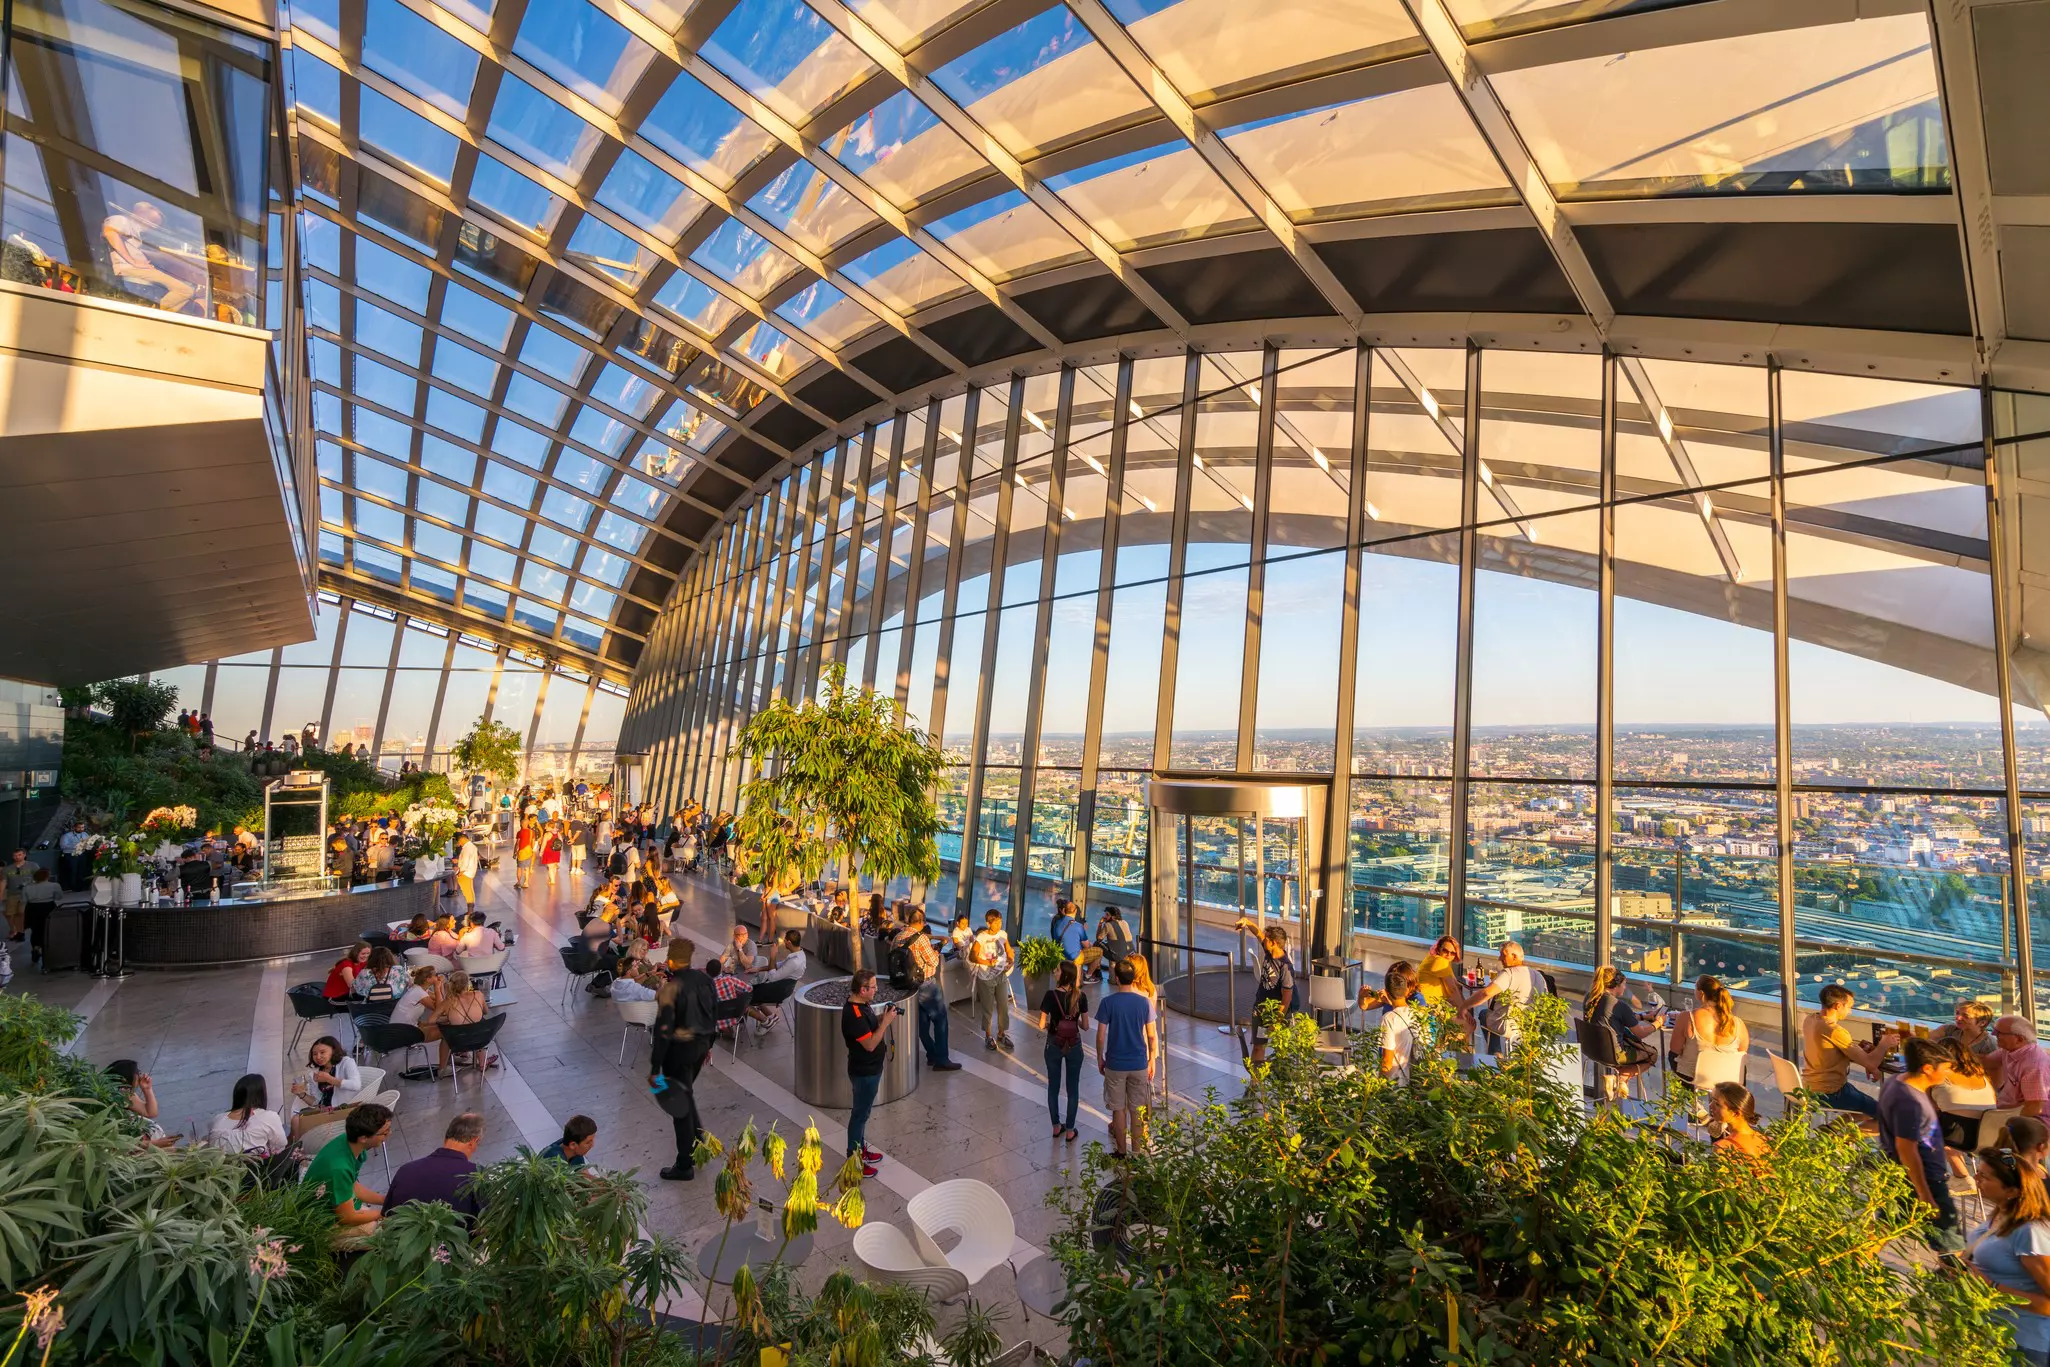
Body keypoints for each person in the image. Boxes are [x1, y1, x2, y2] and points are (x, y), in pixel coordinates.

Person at [1879, 1037, 1963, 1251]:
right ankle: (1955, 1278)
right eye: (1945, 1069)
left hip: (1900, 1174)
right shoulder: (1911, 1102)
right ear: (1927, 1068)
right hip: (1925, 1179)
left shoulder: (1895, 1082)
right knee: (1951, 1245)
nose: (1948, 1074)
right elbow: (1906, 1148)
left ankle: (1853, 1263)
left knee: (1884, 1227)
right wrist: (1924, 1194)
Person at [1969, 1147, 2050, 1362]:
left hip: (2022, 1344)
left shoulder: (2031, 1232)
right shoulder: (2000, 1216)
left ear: (2012, 1191)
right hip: (1991, 1334)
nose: (1975, 1177)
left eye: (1984, 1176)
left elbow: (2048, 1305)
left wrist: (1990, 1288)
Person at [650, 942, 719, 1181]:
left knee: (679, 1108)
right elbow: (714, 1013)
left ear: (670, 961)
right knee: (686, 1095)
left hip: (678, 1053)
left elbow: (662, 1031)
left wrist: (654, 1066)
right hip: (699, 1048)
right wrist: (709, 1045)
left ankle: (684, 1165)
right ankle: (701, 1143)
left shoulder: (671, 989)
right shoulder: (706, 980)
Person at [1799, 984, 1896, 1119]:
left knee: (1865, 1108)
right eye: (1849, 1007)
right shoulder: (1835, 1031)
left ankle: (1834, 1132)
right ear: (1838, 1006)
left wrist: (1860, 1056)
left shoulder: (1810, 1020)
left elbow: (1829, 1051)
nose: (1850, 1011)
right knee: (1882, 1114)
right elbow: (1871, 1063)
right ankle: (1832, 1132)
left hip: (1810, 1087)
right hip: (1830, 1092)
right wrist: (1884, 1044)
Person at [302, 1102, 392, 1245]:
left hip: (340, 1208)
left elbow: (352, 1186)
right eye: (385, 1132)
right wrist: (383, 1214)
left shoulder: (351, 1144)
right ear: (363, 1137)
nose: (389, 1134)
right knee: (384, 1237)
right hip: (323, 1225)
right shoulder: (339, 1168)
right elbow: (347, 1217)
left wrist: (385, 1201)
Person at [1096, 958, 1156, 1158]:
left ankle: (1121, 1151)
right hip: (1139, 1063)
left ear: (1117, 978)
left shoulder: (1108, 1003)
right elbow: (1151, 1035)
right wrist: (1152, 1059)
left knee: (1118, 1109)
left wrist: (1099, 1058)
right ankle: (1137, 1152)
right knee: (1137, 1109)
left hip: (1115, 1063)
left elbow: (1101, 1035)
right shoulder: (1144, 1002)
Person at [843, 969, 900, 1178]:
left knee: (863, 1114)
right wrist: (886, 1023)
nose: (876, 990)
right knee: (859, 1115)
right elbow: (869, 1044)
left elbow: (866, 1027)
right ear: (862, 989)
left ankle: (860, 1150)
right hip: (864, 1072)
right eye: (873, 987)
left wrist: (881, 1016)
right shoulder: (853, 1014)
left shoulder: (861, 1006)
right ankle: (854, 1160)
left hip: (871, 1069)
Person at [385, 1112, 485, 1226]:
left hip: (402, 1240)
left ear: (446, 1137)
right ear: (473, 1142)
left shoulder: (405, 1170)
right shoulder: (476, 1175)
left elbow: (388, 1215)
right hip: (456, 1242)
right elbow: (485, 1221)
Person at [890, 908, 958, 1070]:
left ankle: (932, 1054)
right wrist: (936, 949)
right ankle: (941, 1059)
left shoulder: (897, 937)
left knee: (922, 1024)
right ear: (922, 922)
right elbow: (933, 962)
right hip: (926, 985)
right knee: (940, 1020)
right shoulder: (921, 939)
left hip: (907, 986)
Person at [103, 202, 199, 314]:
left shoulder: (135, 232)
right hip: (130, 268)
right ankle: (158, 315)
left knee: (185, 287)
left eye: (156, 225)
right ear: (140, 213)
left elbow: (132, 248)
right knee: (185, 290)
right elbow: (110, 234)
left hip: (137, 268)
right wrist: (133, 261)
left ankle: (158, 311)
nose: (153, 227)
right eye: (152, 222)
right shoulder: (121, 220)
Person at [1582, 966, 1659, 1100]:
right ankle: (1621, 1079)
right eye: (1624, 984)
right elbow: (1640, 1033)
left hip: (1591, 1049)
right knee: (1652, 1054)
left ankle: (1617, 1084)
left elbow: (1619, 1017)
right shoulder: (1618, 1004)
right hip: (1614, 1054)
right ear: (1615, 985)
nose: (1625, 988)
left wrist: (1643, 1017)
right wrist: (1658, 1023)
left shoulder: (1590, 997)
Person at [1038, 958, 1089, 1141]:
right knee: (1073, 1088)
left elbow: (1041, 1024)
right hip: (1074, 1044)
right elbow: (1085, 1026)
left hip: (1054, 1043)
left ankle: (1055, 1126)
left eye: (1057, 970)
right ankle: (1070, 1130)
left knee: (1053, 1086)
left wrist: (1054, 1024)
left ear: (1064, 974)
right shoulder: (1080, 996)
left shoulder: (1050, 995)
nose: (1055, 972)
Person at [1466, 941, 1545, 1051]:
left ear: (1514, 956)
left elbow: (1486, 993)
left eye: (1503, 955)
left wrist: (1464, 1006)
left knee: (1484, 1014)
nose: (1500, 958)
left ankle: (1495, 1053)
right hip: (1531, 1025)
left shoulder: (1509, 973)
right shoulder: (1538, 975)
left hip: (1509, 1026)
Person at [1669, 975, 1748, 1081]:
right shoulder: (1738, 1023)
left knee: (1672, 1056)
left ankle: (1686, 1096)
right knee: (1742, 1066)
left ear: (1701, 994)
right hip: (1727, 1078)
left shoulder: (1687, 1017)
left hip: (1694, 1077)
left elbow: (1675, 1050)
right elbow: (1741, 1054)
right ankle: (1733, 1096)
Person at [289, 1036, 365, 1139]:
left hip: (342, 1109)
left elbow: (356, 1085)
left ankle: (298, 1150)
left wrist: (330, 1079)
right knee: (296, 1120)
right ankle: (298, 1150)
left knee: (298, 1124)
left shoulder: (346, 1062)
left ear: (333, 1050)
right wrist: (301, 1094)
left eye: (322, 1052)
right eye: (315, 1054)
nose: (318, 1057)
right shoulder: (315, 1073)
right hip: (325, 1110)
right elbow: (318, 1101)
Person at [1246, 924, 1296, 1068]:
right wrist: (1247, 922)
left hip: (1274, 1014)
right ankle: (1255, 1081)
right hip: (1260, 1008)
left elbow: (1287, 997)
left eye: (1266, 938)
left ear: (1273, 942)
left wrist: (1277, 1020)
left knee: (1280, 1050)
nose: (1263, 939)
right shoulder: (1269, 952)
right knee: (1258, 1046)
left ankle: (1280, 1082)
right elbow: (1258, 934)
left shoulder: (1286, 967)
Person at [207, 1073, 289, 1155]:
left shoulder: (218, 1119)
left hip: (222, 1166)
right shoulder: (269, 1116)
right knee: (285, 1129)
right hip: (259, 1166)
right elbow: (280, 1146)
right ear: (261, 1095)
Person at [1373, 961, 1426, 1085]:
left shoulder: (1389, 1018)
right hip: (1416, 1079)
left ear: (1387, 991)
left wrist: (1377, 1087)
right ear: (1407, 989)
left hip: (1396, 1082)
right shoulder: (1419, 1013)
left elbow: (1387, 1061)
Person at [425, 971, 488, 1073]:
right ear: (468, 983)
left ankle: (442, 1069)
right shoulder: (478, 994)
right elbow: (485, 1011)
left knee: (445, 1037)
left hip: (457, 1043)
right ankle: (482, 1063)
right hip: (480, 1039)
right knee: (477, 1025)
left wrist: (447, 1018)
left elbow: (430, 1021)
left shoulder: (448, 1001)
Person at [970, 908, 1015, 1051]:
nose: (999, 925)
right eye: (996, 923)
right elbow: (972, 956)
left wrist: (1011, 959)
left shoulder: (1003, 934)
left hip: (1000, 975)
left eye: (1000, 922)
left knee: (1003, 1006)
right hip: (985, 977)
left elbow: (1008, 950)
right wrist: (986, 963)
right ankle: (988, 1036)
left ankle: (1001, 1034)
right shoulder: (981, 937)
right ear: (989, 923)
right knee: (988, 1008)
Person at [105, 1060, 175, 1147]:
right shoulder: (117, 1095)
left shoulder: (125, 1092)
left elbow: (150, 1112)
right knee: (169, 1149)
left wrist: (147, 1089)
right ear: (124, 1079)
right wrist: (156, 1144)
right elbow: (120, 1141)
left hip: (133, 1140)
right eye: (137, 1072)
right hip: (122, 1145)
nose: (140, 1075)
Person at [746, 928, 805, 1028]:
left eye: (785, 940)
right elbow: (778, 965)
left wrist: (772, 955)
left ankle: (766, 1022)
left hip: (781, 991)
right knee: (753, 988)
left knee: (745, 996)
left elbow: (772, 977)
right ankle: (771, 1016)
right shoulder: (800, 954)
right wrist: (757, 969)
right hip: (783, 987)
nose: (784, 942)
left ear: (789, 942)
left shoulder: (795, 962)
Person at [1998, 1016, 2050, 1120]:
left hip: (2033, 1121)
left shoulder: (2033, 1066)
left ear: (2019, 1039)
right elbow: (1985, 1061)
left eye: (1999, 1033)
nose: (1994, 1035)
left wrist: (1997, 1112)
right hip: (2007, 1108)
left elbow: (2034, 1107)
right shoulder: (2010, 1050)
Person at [1707, 1081, 1770, 1162]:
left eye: (1717, 1104)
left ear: (1736, 1113)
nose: (1710, 1106)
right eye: (1711, 1100)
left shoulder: (1723, 1148)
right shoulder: (1764, 1140)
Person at [20, 869, 57, 967]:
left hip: (32, 909)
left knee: (35, 930)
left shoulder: (27, 887)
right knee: (46, 929)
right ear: (47, 877)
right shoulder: (54, 886)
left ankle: (35, 948)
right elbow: (59, 897)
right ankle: (46, 952)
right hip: (48, 908)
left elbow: (23, 900)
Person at [4, 848, 32, 942]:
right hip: (12, 894)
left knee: (21, 913)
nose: (17, 857)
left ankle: (21, 933)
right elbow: (3, 882)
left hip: (27, 893)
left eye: (19, 855)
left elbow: (39, 877)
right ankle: (16, 931)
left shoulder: (33, 865)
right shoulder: (8, 869)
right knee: (10, 914)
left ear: (24, 855)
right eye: (15, 855)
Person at [455, 833, 480, 913]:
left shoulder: (466, 848)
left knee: (467, 892)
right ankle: (470, 911)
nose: (459, 843)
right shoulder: (472, 846)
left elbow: (465, 861)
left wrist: (461, 871)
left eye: (459, 841)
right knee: (470, 891)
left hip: (465, 873)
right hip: (470, 872)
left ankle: (470, 912)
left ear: (461, 839)